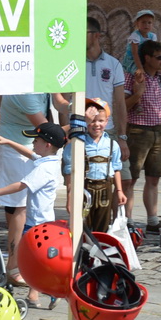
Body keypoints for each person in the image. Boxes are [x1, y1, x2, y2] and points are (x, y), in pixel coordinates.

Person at [0, 122, 67, 306]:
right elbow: (30, 154)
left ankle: (45, 291)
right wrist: (7, 142)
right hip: (43, 221)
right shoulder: (49, 160)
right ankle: (40, 294)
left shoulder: (44, 169)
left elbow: (21, 185)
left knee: (31, 260)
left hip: (37, 223)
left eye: (36, 140)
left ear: (47, 145)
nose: (33, 144)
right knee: (38, 261)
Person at [0, 87, 68, 285]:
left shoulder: (44, 164)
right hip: (16, 150)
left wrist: (78, 109)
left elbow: (60, 103)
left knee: (25, 223)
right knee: (18, 209)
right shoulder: (25, 92)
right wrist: (79, 123)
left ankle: (29, 277)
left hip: (38, 219)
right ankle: (14, 267)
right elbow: (47, 130)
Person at [121, 39, 161, 232]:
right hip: (137, 130)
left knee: (153, 178)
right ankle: (127, 220)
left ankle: (152, 220)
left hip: (157, 130)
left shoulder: (160, 77)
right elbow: (123, 106)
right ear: (147, 58)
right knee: (131, 178)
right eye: (159, 57)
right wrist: (137, 94)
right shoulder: (133, 77)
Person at [65, 98, 125, 234]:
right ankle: (82, 252)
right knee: (83, 224)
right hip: (85, 188)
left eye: (100, 121)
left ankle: (99, 251)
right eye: (92, 120)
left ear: (107, 121)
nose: (96, 124)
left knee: (103, 224)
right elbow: (69, 170)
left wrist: (119, 191)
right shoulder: (78, 143)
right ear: (86, 121)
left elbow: (116, 168)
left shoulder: (112, 144)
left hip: (105, 189)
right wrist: (70, 197)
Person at [86, 18, 128, 114]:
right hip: (79, 126)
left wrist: (121, 129)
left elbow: (120, 103)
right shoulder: (73, 64)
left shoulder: (114, 64)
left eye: (83, 32)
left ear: (96, 35)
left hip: (106, 127)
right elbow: (64, 99)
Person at [121, 9, 158, 74]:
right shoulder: (135, 36)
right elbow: (135, 53)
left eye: (149, 23)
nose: (146, 25)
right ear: (137, 23)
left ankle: (153, 83)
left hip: (144, 59)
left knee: (157, 71)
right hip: (133, 60)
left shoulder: (152, 36)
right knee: (139, 74)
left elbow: (155, 52)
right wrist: (140, 68)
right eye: (143, 22)